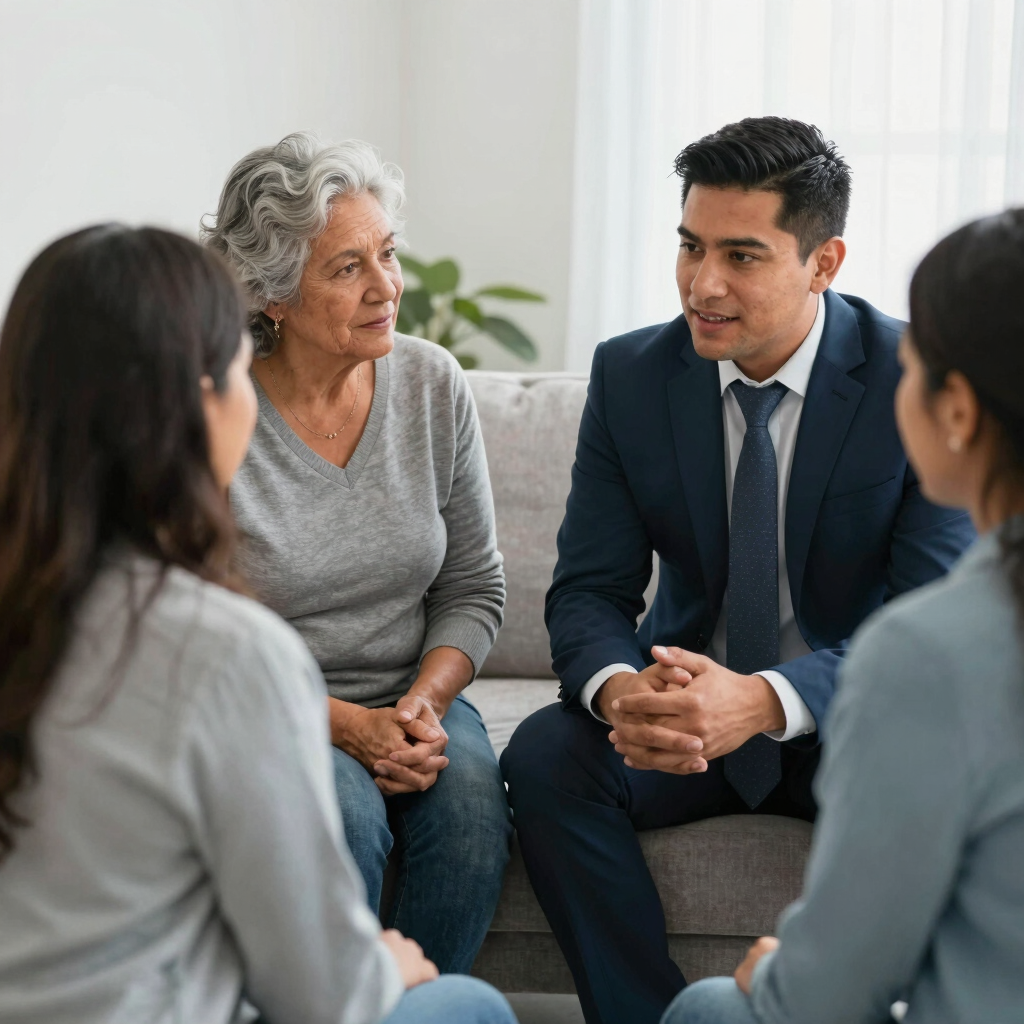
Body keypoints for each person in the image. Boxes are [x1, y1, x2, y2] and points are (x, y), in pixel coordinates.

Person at [500, 116, 976, 1024]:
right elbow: (590, 589)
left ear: (824, 263)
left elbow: (927, 621)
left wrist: (760, 701)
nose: (702, 284)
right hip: (683, 719)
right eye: (689, 246)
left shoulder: (912, 377)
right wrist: (620, 692)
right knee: (549, 756)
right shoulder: (634, 375)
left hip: (852, 718)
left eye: (743, 256)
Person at [0, 225, 516, 1024]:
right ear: (201, 403)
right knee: (468, 1007)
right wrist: (390, 970)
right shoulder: (221, 654)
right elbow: (318, 992)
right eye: (240, 369)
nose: (385, 284)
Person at [661, 209, 1024, 1024]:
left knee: (712, 1007)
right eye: (690, 245)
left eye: (914, 364)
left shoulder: (930, 653)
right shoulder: (640, 375)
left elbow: (833, 991)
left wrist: (775, 976)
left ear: (957, 411)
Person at [202, 132, 512, 974]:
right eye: (348, 268)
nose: (388, 288)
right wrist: (348, 727)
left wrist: (420, 705)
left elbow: (474, 585)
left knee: (475, 816)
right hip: (282, 707)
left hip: (416, 696)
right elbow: (206, 636)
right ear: (272, 295)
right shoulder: (219, 411)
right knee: (345, 817)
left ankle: (422, 1009)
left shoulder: (432, 382)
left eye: (388, 254)